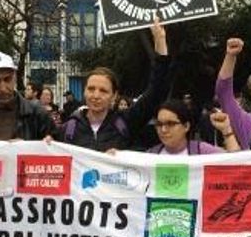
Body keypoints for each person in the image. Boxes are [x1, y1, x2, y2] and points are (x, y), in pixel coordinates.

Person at [54, 20, 170, 152]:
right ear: (84, 91)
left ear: (114, 96)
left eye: (103, 91)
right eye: (91, 89)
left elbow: (157, 91)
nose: (96, 95)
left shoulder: (126, 122)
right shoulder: (68, 129)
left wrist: (160, 40)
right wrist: (47, 145)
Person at [145, 99, 238, 154]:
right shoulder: (150, 156)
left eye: (171, 124)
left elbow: (237, 163)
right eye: (159, 124)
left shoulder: (203, 151)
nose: (163, 130)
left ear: (186, 126)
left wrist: (227, 131)